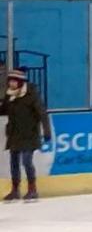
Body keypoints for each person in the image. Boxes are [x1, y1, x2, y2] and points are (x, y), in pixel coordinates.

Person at [3, 68, 52, 202]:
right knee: (14, 163)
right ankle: (15, 190)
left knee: (26, 161)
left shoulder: (31, 94)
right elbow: (4, 110)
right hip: (14, 134)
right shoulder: (9, 95)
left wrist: (47, 131)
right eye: (10, 81)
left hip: (29, 133)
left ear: (20, 82)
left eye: (14, 81)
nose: (11, 84)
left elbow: (42, 113)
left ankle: (32, 189)